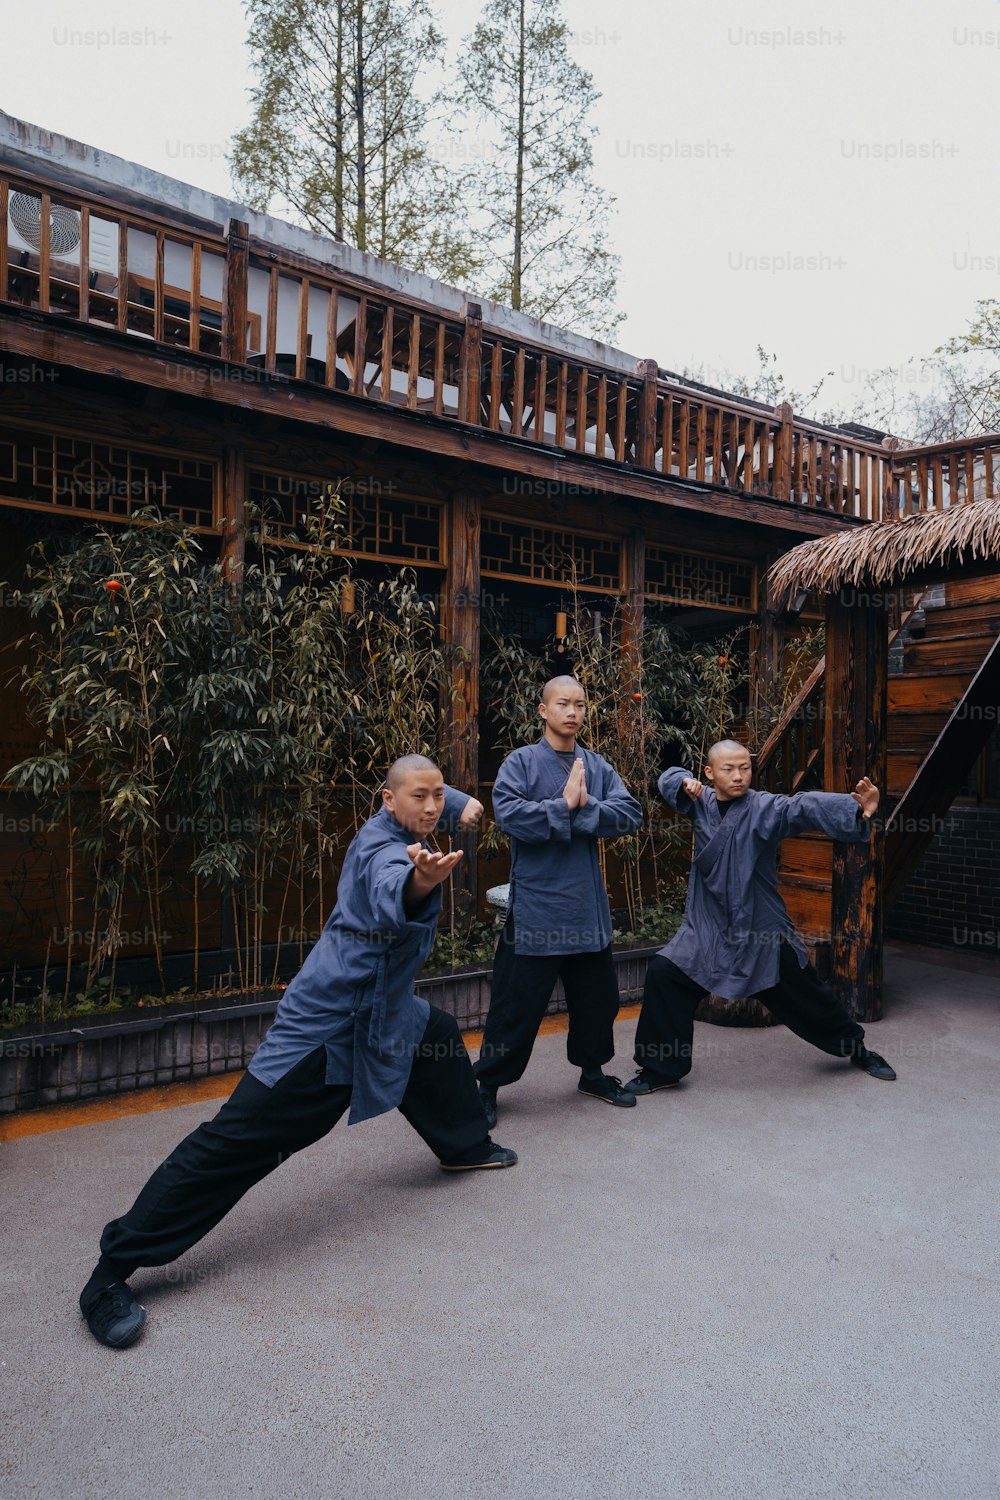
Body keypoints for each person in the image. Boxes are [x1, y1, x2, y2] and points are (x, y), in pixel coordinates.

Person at [79, 755, 517, 1349]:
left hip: (385, 1009)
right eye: (421, 797)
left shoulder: (417, 813)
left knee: (433, 1033)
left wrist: (461, 801)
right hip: (328, 1026)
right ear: (387, 801)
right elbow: (395, 881)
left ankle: (464, 1144)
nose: (434, 806)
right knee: (235, 1142)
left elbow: (437, 793)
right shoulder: (381, 850)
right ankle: (110, 1273)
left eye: (439, 795)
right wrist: (421, 881)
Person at [624, 740, 896, 1097]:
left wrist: (857, 809)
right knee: (665, 974)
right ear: (708, 773)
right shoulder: (700, 803)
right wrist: (680, 781)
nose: (739, 776)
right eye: (728, 769)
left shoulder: (764, 807)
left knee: (807, 996)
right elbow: (666, 780)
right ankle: (662, 1068)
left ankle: (855, 1048)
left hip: (760, 928)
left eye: (745, 768)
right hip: (708, 926)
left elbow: (803, 806)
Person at [474, 675, 644, 1124]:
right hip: (536, 908)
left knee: (598, 1000)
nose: (573, 712)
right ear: (543, 711)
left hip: (586, 906)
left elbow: (630, 814)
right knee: (515, 1004)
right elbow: (508, 815)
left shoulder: (596, 764)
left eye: (581, 705)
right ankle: (486, 1084)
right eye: (563, 704)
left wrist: (584, 809)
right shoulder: (521, 762)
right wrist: (562, 807)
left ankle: (593, 1072)